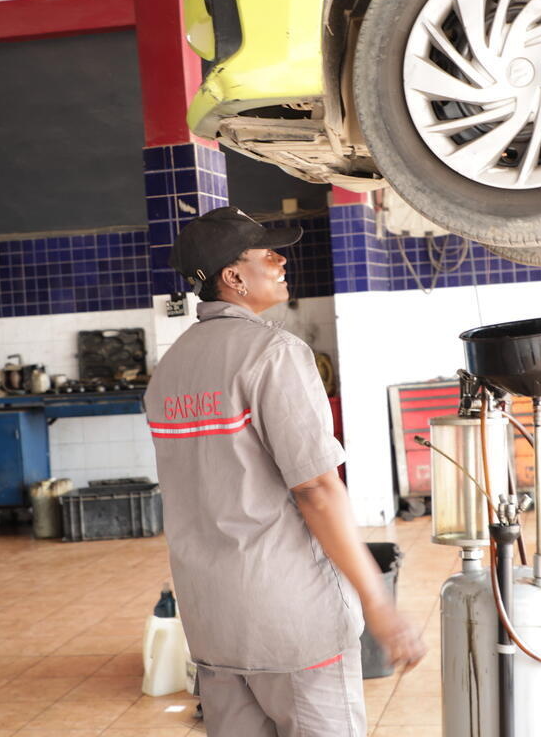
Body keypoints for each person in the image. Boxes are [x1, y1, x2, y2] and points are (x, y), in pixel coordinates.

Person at [145, 206, 426, 737]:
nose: (281, 261)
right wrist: (378, 603)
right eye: (266, 254)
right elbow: (316, 488)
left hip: (211, 622)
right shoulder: (274, 353)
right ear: (233, 277)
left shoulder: (170, 369)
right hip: (291, 620)